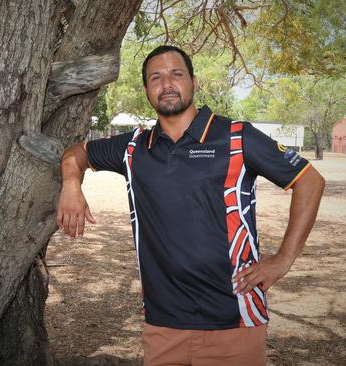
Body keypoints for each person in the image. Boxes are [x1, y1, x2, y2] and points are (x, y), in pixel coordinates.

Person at [57, 45, 325, 366]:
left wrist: (283, 259)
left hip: (234, 320)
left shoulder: (238, 137)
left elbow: (309, 180)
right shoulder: (133, 148)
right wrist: (72, 184)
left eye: (176, 74)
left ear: (194, 82)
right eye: (156, 77)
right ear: (146, 89)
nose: (167, 83)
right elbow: (76, 152)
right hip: (162, 326)